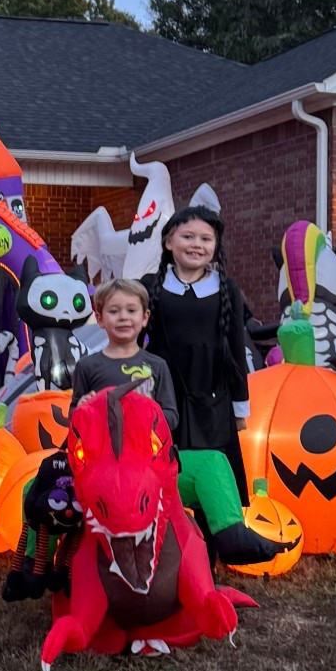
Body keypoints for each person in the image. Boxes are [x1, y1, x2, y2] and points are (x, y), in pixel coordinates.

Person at [141, 205, 286, 566]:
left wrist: (240, 408)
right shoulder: (150, 287)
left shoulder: (226, 288)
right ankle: (165, 559)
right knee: (165, 474)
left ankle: (208, 565)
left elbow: (237, 350)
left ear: (216, 245)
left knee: (211, 480)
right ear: (169, 241)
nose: (196, 244)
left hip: (213, 399)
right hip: (165, 398)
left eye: (206, 239)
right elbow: (130, 336)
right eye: (187, 236)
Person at [69, 278, 179, 426]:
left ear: (144, 317)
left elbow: (171, 417)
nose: (123, 317)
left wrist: (145, 414)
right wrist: (82, 408)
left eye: (131, 310)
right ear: (100, 319)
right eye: (114, 311)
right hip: (101, 447)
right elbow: (73, 417)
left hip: (146, 447)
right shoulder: (86, 366)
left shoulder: (158, 365)